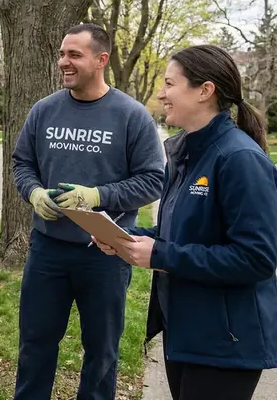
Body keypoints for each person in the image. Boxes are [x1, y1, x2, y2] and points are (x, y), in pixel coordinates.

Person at [93, 44, 277, 400]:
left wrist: (160, 255)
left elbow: (257, 258)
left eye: (169, 84)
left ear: (204, 91)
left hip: (226, 343)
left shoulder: (239, 159)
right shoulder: (187, 155)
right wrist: (125, 238)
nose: (161, 94)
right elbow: (178, 234)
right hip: (187, 332)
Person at [11, 23, 165, 400]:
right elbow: (22, 164)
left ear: (101, 60)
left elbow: (153, 181)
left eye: (74, 55)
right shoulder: (44, 110)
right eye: (62, 54)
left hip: (106, 253)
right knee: (35, 345)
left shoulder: (131, 116)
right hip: (47, 251)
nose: (63, 62)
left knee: (102, 352)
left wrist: (97, 195)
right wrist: (33, 193)